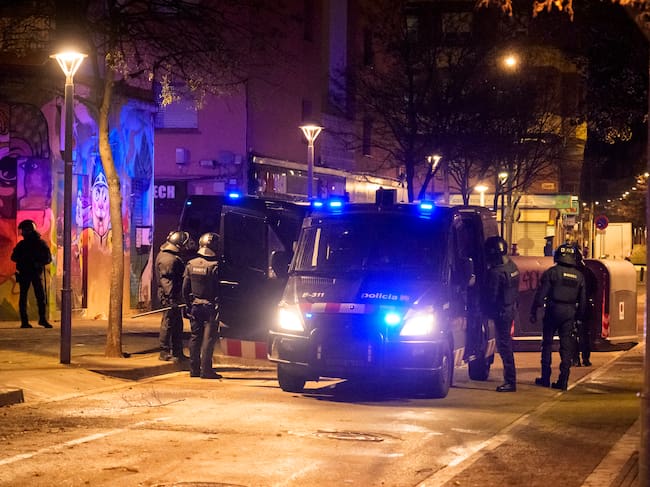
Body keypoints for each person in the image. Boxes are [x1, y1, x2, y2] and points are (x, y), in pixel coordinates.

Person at [530, 244, 587, 391]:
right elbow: (582, 300)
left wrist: (534, 311)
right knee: (566, 347)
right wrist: (579, 317)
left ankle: (545, 377)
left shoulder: (552, 273)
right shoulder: (579, 276)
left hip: (553, 310)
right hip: (569, 313)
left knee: (547, 344)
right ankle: (563, 380)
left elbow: (541, 295)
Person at [182, 232, 222, 379]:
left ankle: (194, 370)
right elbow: (219, 289)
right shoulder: (215, 266)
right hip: (210, 307)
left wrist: (188, 305)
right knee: (208, 339)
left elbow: (185, 288)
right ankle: (206, 370)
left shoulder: (191, 264)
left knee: (194, 337)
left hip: (195, 306)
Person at [483, 236, 520, 392]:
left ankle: (510, 381)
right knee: (506, 345)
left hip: (501, 312)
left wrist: (484, 311)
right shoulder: (511, 266)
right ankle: (510, 380)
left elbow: (490, 296)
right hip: (510, 309)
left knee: (504, 346)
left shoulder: (496, 273)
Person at [155, 230, 191, 362]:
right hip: (169, 297)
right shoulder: (168, 259)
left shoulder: (170, 256)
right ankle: (164, 351)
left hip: (173, 295)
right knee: (168, 323)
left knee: (177, 324)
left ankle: (177, 351)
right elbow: (166, 281)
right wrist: (171, 300)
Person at [11, 219, 52, 328]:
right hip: (31, 273)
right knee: (38, 297)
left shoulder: (29, 244)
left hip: (30, 273)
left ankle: (28, 321)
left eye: (23, 230)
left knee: (28, 297)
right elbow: (14, 257)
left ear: (28, 230)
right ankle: (40, 320)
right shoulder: (37, 243)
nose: (22, 233)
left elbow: (47, 258)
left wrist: (35, 262)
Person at [572, 246, 593, 367]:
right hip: (585, 307)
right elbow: (595, 287)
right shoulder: (587, 271)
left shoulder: (569, 271)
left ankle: (575, 359)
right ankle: (586, 359)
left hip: (571, 306)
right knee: (585, 334)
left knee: (572, 334)